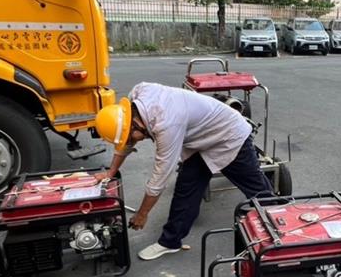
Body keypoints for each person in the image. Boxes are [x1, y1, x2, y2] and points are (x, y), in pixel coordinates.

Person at [94, 82, 272, 261]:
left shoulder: (166, 125)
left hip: (229, 135)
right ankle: (170, 242)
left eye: (133, 137)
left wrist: (142, 214)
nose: (137, 141)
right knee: (186, 189)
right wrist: (111, 171)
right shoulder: (137, 94)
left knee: (257, 188)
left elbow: (158, 180)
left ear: (134, 123)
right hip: (201, 139)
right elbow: (126, 141)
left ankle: (282, 226)